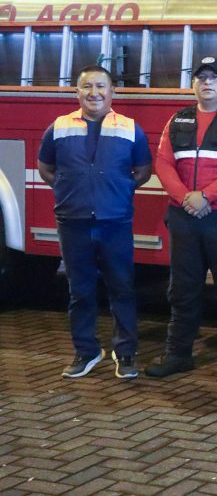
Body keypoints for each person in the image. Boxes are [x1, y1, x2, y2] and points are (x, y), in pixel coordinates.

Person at [146, 57, 217, 382]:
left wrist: (206, 196)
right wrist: (186, 197)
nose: (207, 82)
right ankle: (178, 355)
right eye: (201, 77)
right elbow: (163, 163)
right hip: (185, 216)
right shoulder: (178, 119)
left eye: (214, 77)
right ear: (193, 84)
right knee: (182, 289)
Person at [38, 65, 152, 379]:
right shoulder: (59, 127)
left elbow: (143, 171)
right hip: (72, 222)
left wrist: (119, 191)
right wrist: (67, 189)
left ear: (112, 91)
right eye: (87, 86)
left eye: (101, 86)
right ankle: (86, 352)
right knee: (80, 291)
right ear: (77, 92)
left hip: (115, 222)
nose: (94, 93)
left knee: (122, 288)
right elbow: (45, 167)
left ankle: (125, 353)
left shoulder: (130, 128)